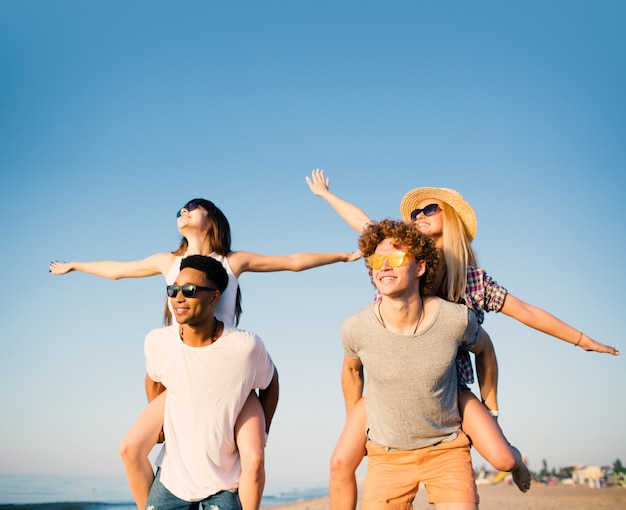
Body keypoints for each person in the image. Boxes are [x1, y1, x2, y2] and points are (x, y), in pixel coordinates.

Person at [306, 169, 619, 508]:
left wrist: (583, 340)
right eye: (414, 213)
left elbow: (525, 312)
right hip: (389, 385)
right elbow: (363, 224)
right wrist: (326, 195)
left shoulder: (471, 281)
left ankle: (516, 462)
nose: (419, 216)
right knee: (340, 462)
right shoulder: (395, 256)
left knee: (500, 457)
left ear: (450, 219)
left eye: (429, 209)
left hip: (448, 387)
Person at [50, 197, 360, 510]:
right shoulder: (167, 261)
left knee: (253, 458)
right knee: (131, 448)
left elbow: (293, 261)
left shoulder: (232, 261)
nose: (182, 211)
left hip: (229, 372)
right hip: (184, 371)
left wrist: (345, 256)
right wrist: (76, 265)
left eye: (192, 207)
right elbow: (118, 270)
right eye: (179, 210)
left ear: (211, 217)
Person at [343, 219, 487, 509]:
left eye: (396, 258)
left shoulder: (455, 319)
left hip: (446, 449)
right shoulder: (356, 327)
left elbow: (486, 349)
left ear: (420, 267)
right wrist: (356, 423)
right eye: (376, 260)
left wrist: (491, 404)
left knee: (504, 459)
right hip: (387, 456)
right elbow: (350, 370)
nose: (384, 266)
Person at [142, 254, 279, 510]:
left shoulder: (244, 347)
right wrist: (160, 423)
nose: (178, 297)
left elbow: (271, 382)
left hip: (224, 482)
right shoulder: (157, 342)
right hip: (172, 480)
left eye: (189, 290)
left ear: (214, 298)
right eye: (173, 290)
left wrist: (263, 431)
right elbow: (152, 378)